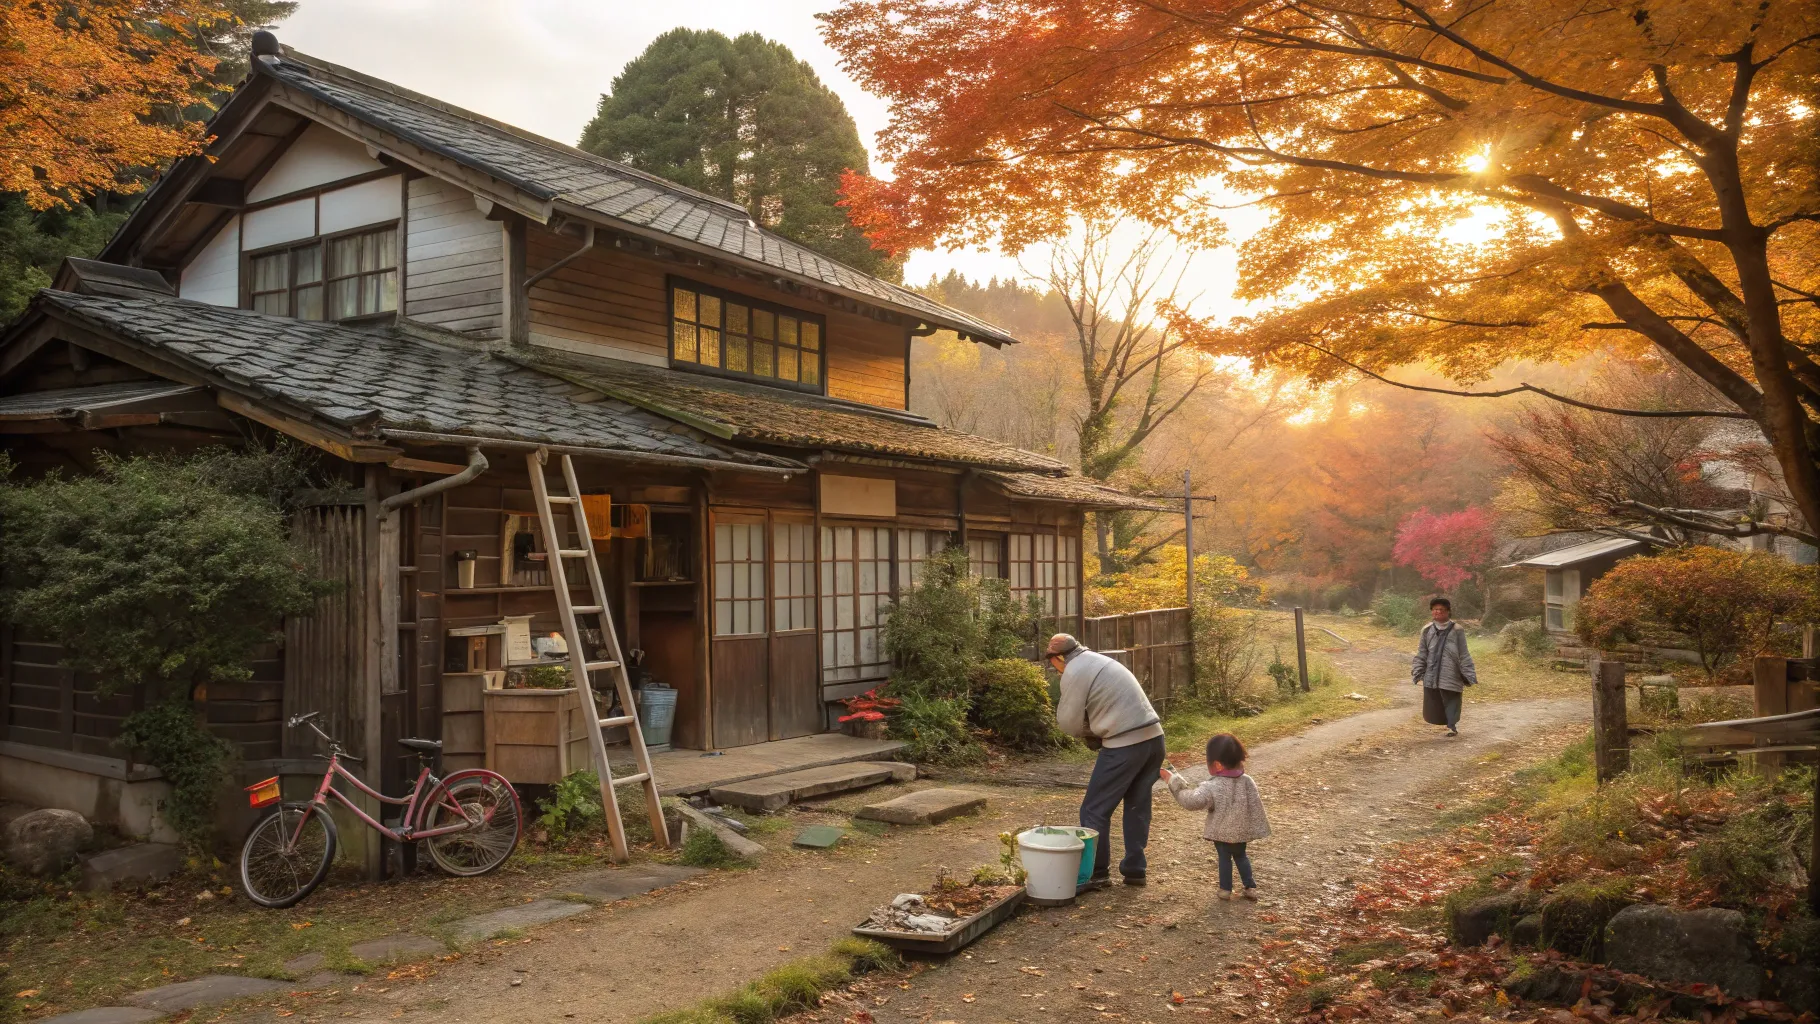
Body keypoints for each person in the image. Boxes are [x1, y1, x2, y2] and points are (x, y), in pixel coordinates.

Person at [1049, 633, 1166, 889]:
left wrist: (1088, 732)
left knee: (1094, 809)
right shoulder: (1101, 660)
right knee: (1137, 805)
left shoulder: (1075, 670)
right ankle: (1135, 870)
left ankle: (1097, 872)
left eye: (1053, 663)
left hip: (1125, 745)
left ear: (1058, 657)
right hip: (1154, 739)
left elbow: (1068, 723)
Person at [1160, 733, 1270, 900]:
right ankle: (1250, 887)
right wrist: (1255, 828)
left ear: (1217, 765)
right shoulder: (1248, 781)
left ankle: (1226, 889)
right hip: (1242, 834)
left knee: (1224, 859)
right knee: (1241, 856)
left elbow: (1193, 801)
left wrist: (1173, 781)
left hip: (1221, 834)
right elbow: (1255, 807)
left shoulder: (1213, 786)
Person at [1411, 596, 1476, 737]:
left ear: (1448, 611)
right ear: (1431, 612)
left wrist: (1468, 672)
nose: (1438, 612)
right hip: (1432, 671)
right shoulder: (1427, 630)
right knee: (1434, 699)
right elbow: (1422, 652)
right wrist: (1418, 669)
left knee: (1452, 696)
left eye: (1441, 609)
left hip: (1451, 671)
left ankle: (1452, 725)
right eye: (1435, 609)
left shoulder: (1457, 630)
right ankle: (1440, 721)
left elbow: (1464, 652)